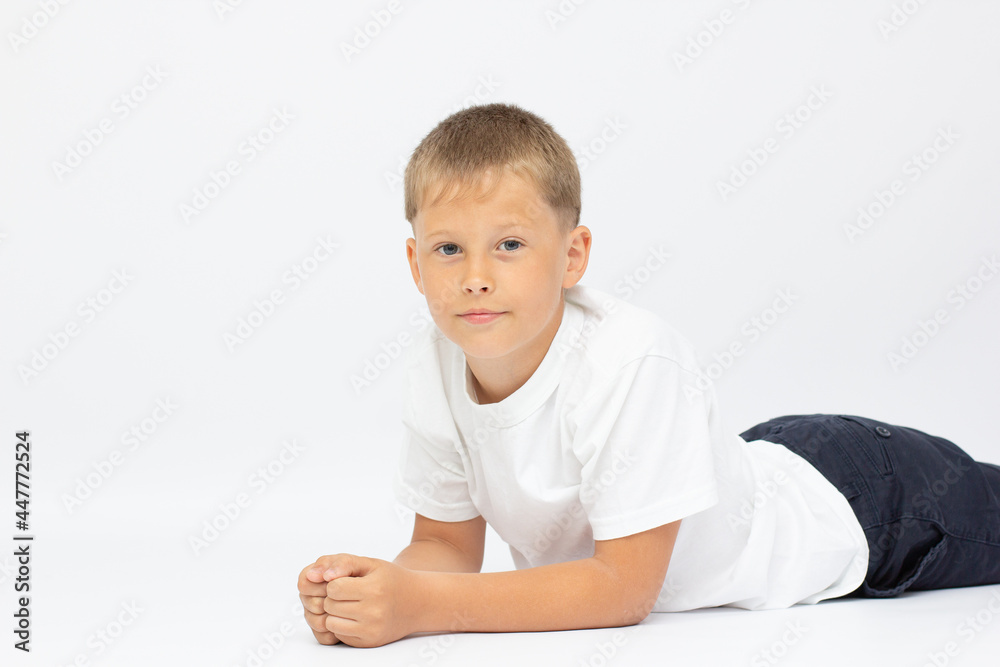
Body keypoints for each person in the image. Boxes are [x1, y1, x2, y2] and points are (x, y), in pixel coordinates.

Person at [296, 102, 1000, 648]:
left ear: (573, 256)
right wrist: (372, 592)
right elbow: (447, 545)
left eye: (509, 244)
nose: (476, 277)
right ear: (416, 265)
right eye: (449, 248)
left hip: (866, 504)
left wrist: (422, 606)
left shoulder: (628, 358)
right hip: (743, 467)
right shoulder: (436, 363)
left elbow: (622, 589)